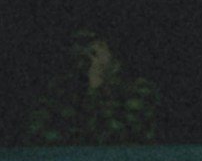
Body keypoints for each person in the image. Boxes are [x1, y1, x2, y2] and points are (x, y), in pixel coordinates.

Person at [22, 30, 161, 146]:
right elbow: (35, 133)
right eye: (75, 43)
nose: (82, 51)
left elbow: (117, 138)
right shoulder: (62, 87)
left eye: (92, 44)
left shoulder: (138, 88)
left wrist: (96, 89)